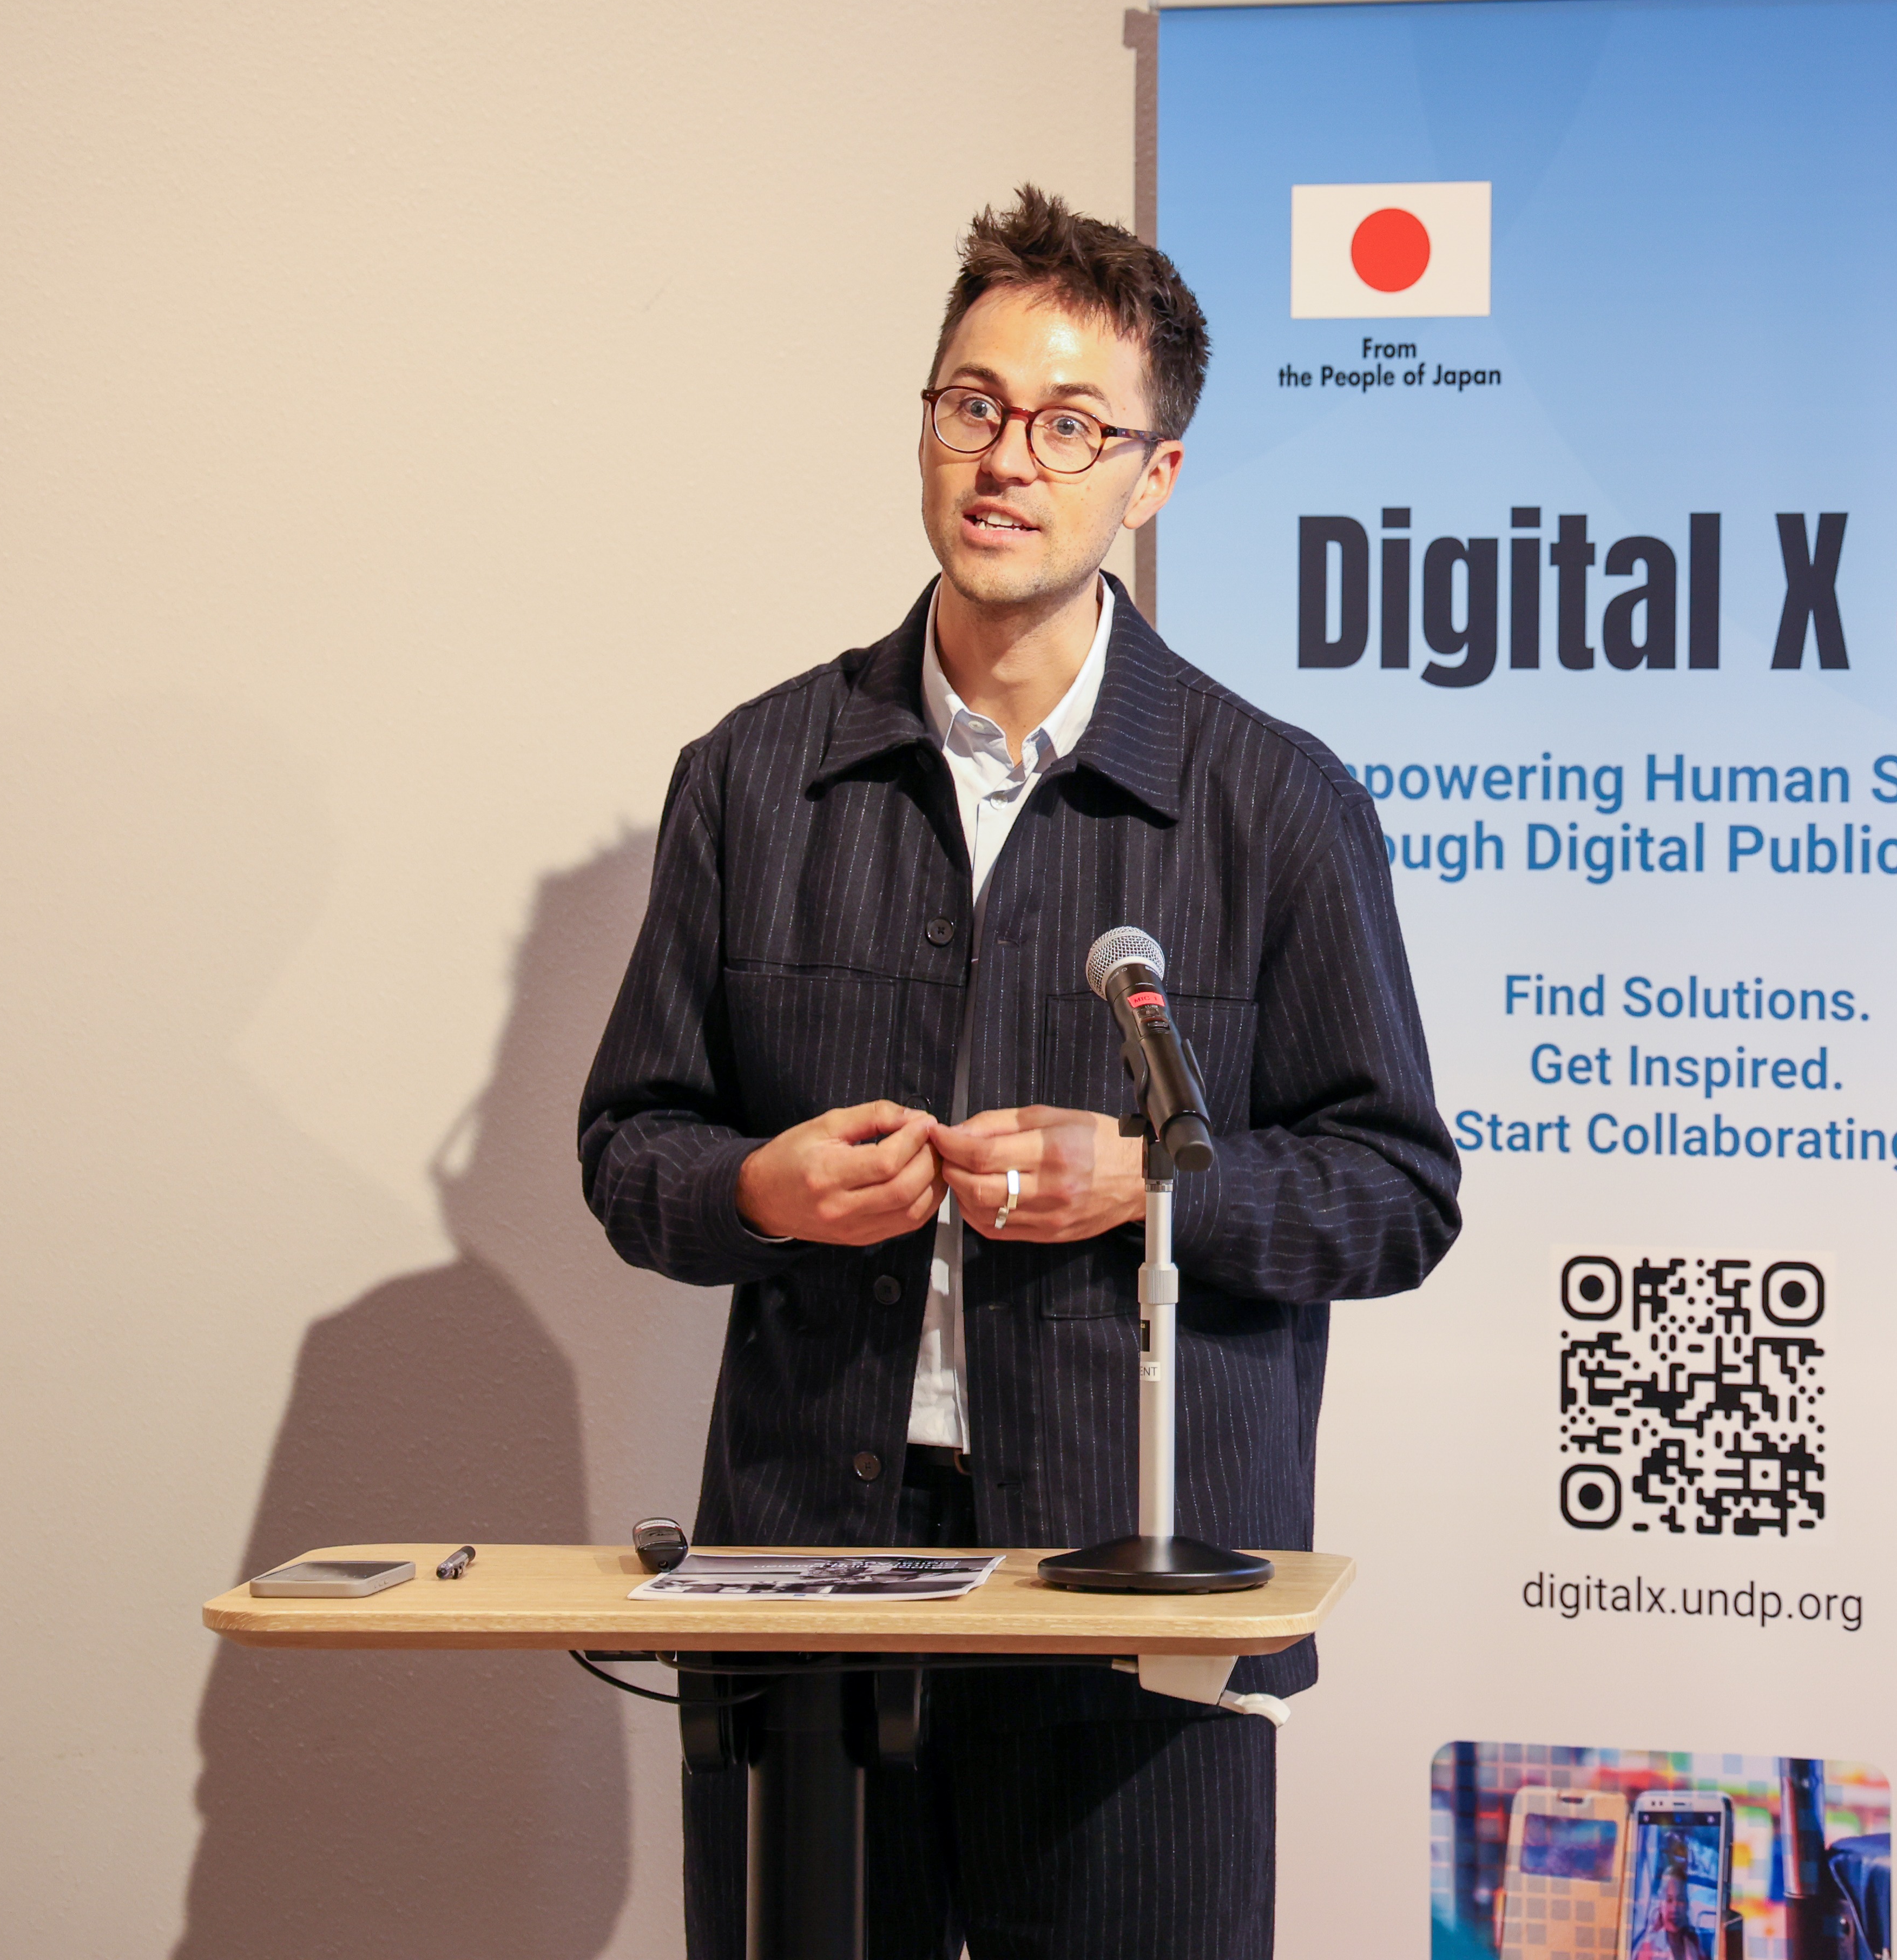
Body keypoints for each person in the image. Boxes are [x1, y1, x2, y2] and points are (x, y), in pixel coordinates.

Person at [577, 185, 1460, 1960]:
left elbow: (1400, 1190)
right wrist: (757, 1190)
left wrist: (1156, 1184)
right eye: (970, 404)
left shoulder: (1274, 804)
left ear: (1154, 480)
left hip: (1132, 1595)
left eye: (1071, 427)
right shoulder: (756, 777)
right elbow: (629, 1143)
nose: (1006, 459)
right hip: (811, 1595)